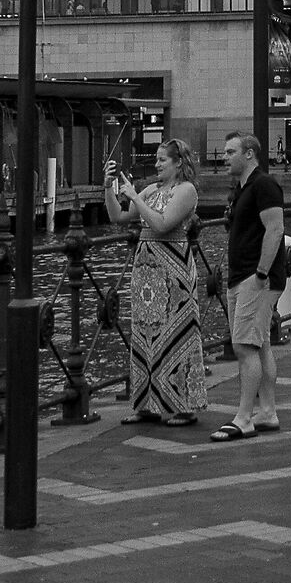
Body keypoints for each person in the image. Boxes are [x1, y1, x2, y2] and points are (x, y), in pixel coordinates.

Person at [102, 137, 207, 427]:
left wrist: (135, 197)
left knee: (177, 334)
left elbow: (161, 224)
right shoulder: (152, 189)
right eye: (157, 159)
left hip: (173, 271)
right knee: (146, 334)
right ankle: (146, 403)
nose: (157, 164)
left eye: (162, 160)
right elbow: (119, 216)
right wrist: (109, 188)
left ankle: (183, 406)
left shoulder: (186, 190)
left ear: (178, 163)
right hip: (147, 273)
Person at [212, 131, 284, 442]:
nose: (225, 157)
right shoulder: (243, 188)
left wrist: (261, 273)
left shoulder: (263, 185)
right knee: (260, 344)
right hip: (245, 276)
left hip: (254, 278)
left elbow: (276, 228)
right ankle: (266, 411)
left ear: (250, 154)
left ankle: (244, 418)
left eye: (230, 152)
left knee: (244, 346)